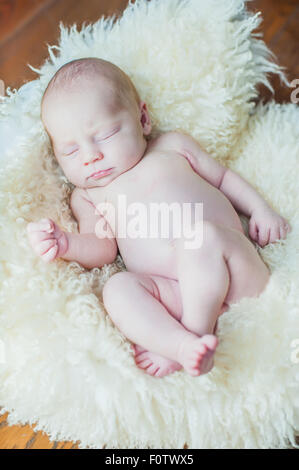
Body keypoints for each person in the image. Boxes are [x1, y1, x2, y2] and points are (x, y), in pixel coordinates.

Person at [27, 58, 291, 378]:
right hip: (173, 295)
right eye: (69, 151)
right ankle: (180, 345)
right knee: (117, 289)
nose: (89, 156)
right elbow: (102, 248)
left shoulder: (171, 147)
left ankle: (193, 333)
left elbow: (222, 178)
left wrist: (260, 209)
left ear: (142, 118)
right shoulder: (88, 196)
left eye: (105, 134)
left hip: (233, 273)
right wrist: (66, 243)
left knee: (199, 238)